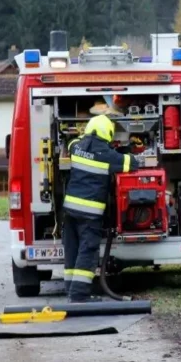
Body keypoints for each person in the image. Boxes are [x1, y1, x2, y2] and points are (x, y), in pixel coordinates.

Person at [62, 114, 141, 302]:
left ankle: (70, 289)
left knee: (72, 249)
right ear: (108, 134)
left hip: (70, 211)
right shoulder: (107, 155)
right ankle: (79, 295)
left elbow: (72, 142)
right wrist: (126, 150)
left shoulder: (76, 147)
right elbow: (133, 163)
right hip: (90, 214)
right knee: (88, 250)